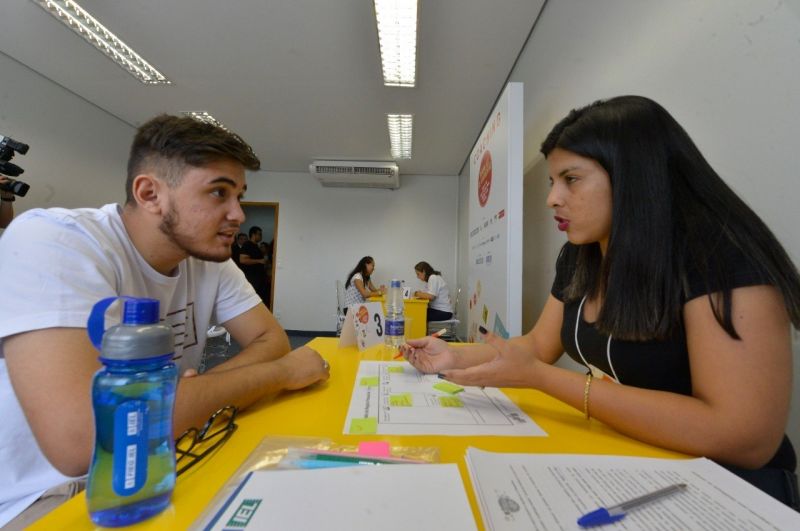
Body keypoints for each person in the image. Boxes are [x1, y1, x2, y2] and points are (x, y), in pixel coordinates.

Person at [400, 96, 800, 507]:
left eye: (570, 179)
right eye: (553, 182)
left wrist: (543, 378)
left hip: (729, 492)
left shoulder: (720, 257)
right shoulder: (582, 253)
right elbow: (538, 345)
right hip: (637, 462)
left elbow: (744, 436)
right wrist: (455, 357)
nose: (552, 198)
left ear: (634, 177)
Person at [0, 114, 330, 528]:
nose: (238, 214)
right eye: (218, 193)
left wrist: (189, 397)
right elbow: (81, 440)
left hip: (155, 462)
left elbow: (271, 338)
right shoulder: (53, 240)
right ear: (150, 193)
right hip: (43, 496)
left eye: (239, 195)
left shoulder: (206, 258)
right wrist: (278, 375)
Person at [239, 225, 270, 306]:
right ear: (253, 234)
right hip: (252, 279)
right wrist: (259, 261)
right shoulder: (247, 245)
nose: (261, 236)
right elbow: (242, 260)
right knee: (251, 301)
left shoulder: (256, 246)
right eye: (259, 234)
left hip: (258, 279)